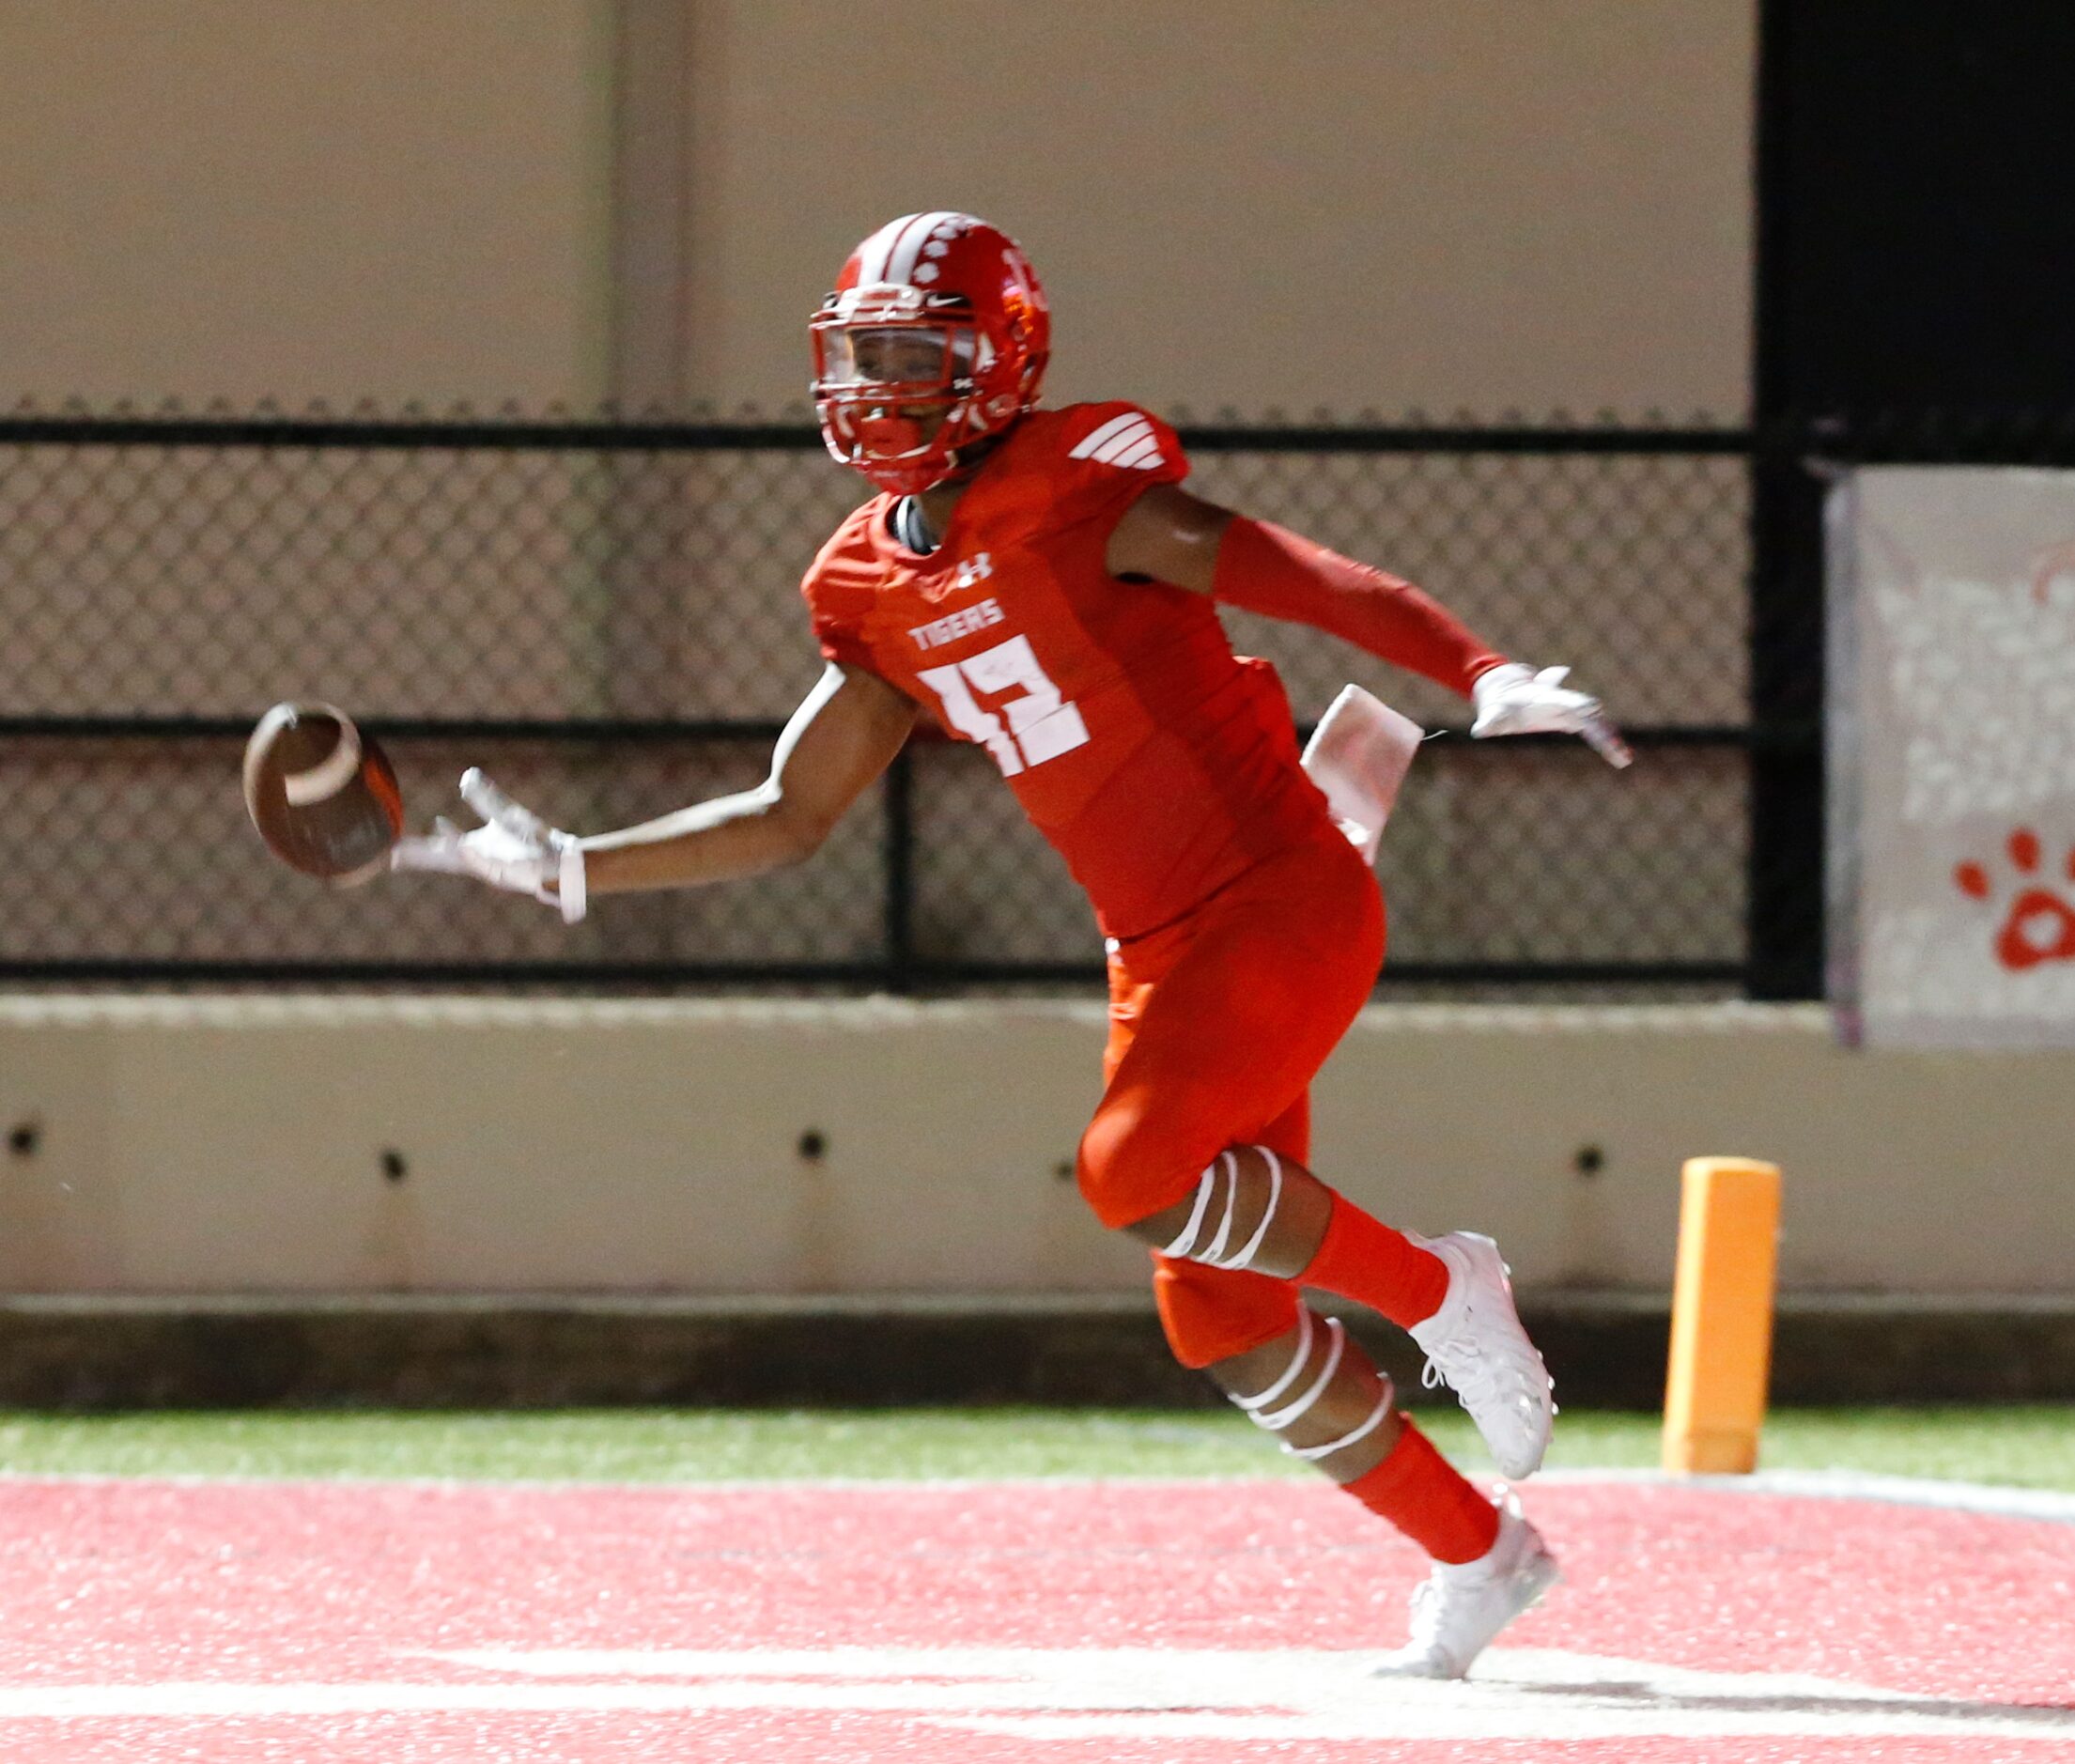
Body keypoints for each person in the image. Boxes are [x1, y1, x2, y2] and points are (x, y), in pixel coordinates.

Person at [395, 211, 1628, 1679]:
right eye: (860, 358)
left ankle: (1441, 1287)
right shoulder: (867, 579)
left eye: (912, 357)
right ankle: (1480, 1556)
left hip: (1278, 891)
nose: (876, 389)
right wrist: (577, 868)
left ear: (999, 360)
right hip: (1158, 951)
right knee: (1219, 1311)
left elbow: (1285, 571)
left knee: (1133, 1170)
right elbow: (793, 809)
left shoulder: (1074, 490)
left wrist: (1479, 671)